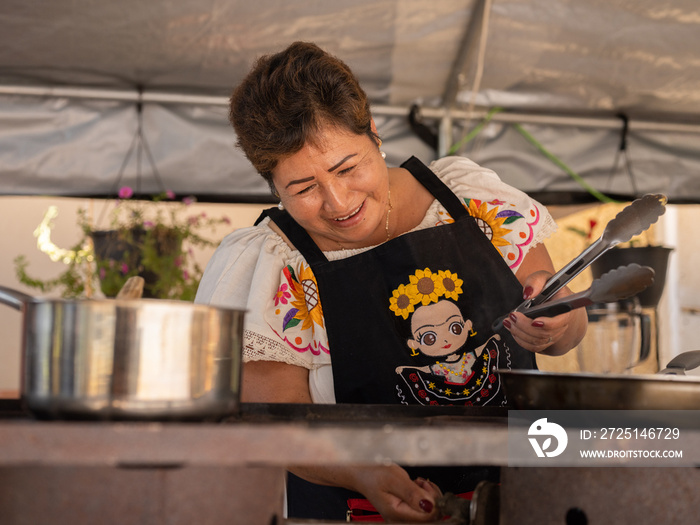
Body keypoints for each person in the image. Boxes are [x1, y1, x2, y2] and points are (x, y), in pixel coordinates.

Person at [195, 41, 587, 522]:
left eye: (347, 167)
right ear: (272, 184)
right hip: (356, 510)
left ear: (375, 133)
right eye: (303, 188)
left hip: (517, 499)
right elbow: (276, 424)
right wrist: (362, 471)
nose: (338, 202)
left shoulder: (470, 200)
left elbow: (566, 326)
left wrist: (558, 323)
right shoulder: (273, 263)